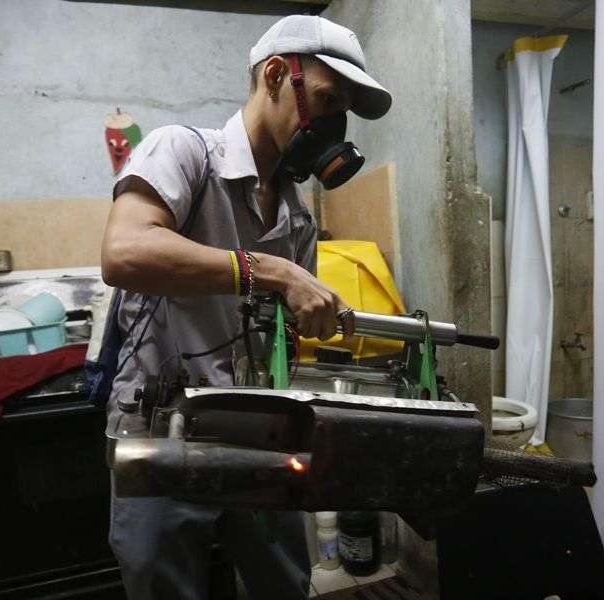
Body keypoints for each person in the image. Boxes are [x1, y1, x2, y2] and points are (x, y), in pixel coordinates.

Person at [100, 14, 392, 600]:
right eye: (329, 99)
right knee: (166, 589)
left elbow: (283, 329)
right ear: (278, 75)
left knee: (284, 584)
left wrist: (314, 323)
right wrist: (274, 271)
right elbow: (125, 251)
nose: (334, 123)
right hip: (163, 430)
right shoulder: (185, 152)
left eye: (344, 111)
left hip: (258, 435)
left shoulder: (297, 213)